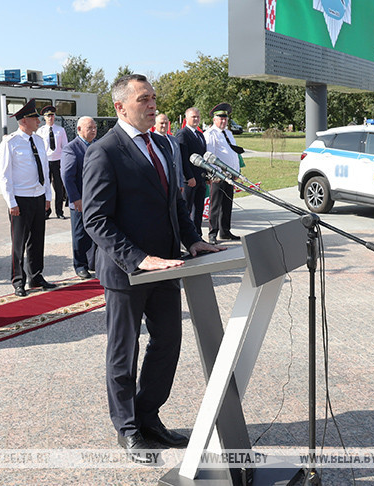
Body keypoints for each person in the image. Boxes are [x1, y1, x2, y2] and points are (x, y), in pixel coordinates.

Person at [83, 74, 222, 463]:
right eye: (143, 98)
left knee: (168, 344)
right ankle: (127, 430)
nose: (152, 104)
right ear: (120, 107)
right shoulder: (104, 151)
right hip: (127, 270)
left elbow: (174, 202)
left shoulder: (163, 144)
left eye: (153, 98)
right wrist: (138, 258)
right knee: (123, 352)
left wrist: (192, 237)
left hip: (167, 266)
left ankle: (148, 416)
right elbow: (96, 219)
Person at [0, 98, 56, 296]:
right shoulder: (10, 142)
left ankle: (36, 276)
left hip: (38, 197)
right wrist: (11, 202)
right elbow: (4, 176)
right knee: (19, 242)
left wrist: (48, 196)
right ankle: (17, 280)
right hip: (20, 199)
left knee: (37, 239)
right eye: (35, 118)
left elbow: (45, 169)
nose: (39, 121)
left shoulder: (39, 141)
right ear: (24, 121)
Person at [61, 116, 97, 280]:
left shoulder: (96, 146)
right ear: (79, 129)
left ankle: (92, 263)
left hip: (96, 199)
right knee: (80, 234)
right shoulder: (71, 148)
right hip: (80, 201)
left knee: (94, 232)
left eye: (94, 127)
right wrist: (76, 199)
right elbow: (67, 177)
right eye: (89, 128)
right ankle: (80, 265)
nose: (93, 130)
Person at [204, 102, 244, 245]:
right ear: (214, 119)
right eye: (220, 118)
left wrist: (236, 172)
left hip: (230, 176)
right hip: (218, 176)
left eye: (225, 118)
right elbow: (209, 155)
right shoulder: (210, 134)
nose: (223, 121)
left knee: (227, 204)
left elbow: (233, 153)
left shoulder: (228, 133)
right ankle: (212, 233)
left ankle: (225, 231)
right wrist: (214, 173)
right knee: (215, 205)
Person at [175, 107, 207, 234]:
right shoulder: (182, 134)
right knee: (186, 210)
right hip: (190, 180)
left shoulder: (199, 134)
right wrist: (189, 177)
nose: (196, 119)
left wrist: (207, 176)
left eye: (198, 117)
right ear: (186, 118)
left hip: (201, 178)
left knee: (198, 210)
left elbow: (203, 156)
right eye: (193, 117)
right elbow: (183, 158)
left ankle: (197, 235)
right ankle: (185, 238)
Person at [36, 105, 69, 219]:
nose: (50, 118)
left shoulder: (60, 130)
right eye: (48, 116)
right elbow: (39, 148)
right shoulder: (40, 131)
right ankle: (46, 211)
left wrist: (65, 161)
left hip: (58, 161)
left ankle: (59, 211)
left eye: (52, 115)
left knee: (59, 188)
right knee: (46, 186)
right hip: (46, 161)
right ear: (44, 118)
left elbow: (65, 146)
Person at [154, 113, 187, 197]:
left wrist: (180, 183)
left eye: (166, 123)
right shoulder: (151, 140)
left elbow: (178, 162)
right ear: (155, 124)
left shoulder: (174, 140)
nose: (164, 125)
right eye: (161, 123)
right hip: (161, 184)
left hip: (175, 184)